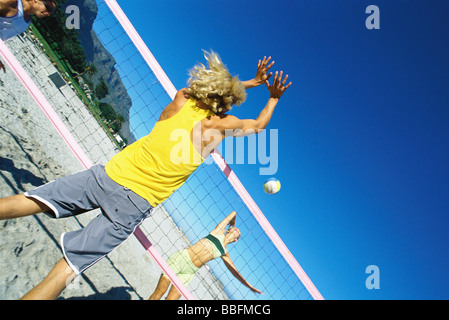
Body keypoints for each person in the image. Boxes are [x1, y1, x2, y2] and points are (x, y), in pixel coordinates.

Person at [0, 51, 291, 300]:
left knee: (29, 200)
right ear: (228, 102)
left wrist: (248, 82)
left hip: (109, 175)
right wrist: (273, 97)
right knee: (65, 272)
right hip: (134, 204)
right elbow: (258, 126)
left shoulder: (182, 99)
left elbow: (218, 90)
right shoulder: (221, 126)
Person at [149, 211, 262, 300]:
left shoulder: (225, 253)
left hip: (189, 272)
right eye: (235, 229)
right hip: (180, 259)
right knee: (158, 294)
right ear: (228, 230)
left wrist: (250, 287)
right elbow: (234, 213)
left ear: (236, 240)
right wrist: (233, 223)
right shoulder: (218, 231)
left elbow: (236, 273)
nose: (237, 230)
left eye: (239, 233)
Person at [0, 0, 56, 72]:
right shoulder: (12, 3)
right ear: (36, 1)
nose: (48, 14)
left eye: (51, 13)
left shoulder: (27, 21)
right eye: (48, 8)